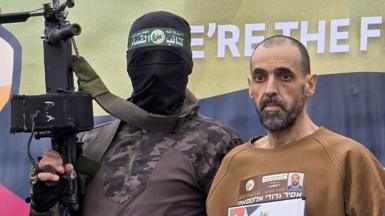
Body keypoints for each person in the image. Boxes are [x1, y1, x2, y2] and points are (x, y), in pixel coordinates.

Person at [29, 11, 243, 216]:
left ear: (188, 64)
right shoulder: (90, 142)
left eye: (169, 60)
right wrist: (45, 198)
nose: (156, 71)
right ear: (130, 65)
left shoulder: (215, 141)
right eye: (145, 60)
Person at [206, 35, 385, 215]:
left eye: (285, 76)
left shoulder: (348, 157)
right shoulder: (234, 164)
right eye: (260, 78)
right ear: (250, 87)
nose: (270, 89)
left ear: (310, 84)